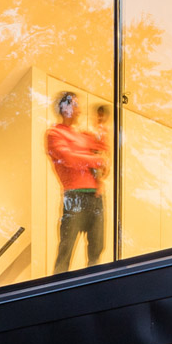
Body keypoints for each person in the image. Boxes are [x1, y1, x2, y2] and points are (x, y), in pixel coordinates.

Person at [46, 90, 109, 270]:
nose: (79, 110)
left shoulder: (84, 135)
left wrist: (101, 124)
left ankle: (94, 290)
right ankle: (57, 292)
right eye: (75, 105)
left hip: (96, 197)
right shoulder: (54, 134)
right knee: (66, 249)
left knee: (97, 250)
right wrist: (96, 160)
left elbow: (102, 149)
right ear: (64, 108)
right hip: (75, 197)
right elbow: (69, 159)